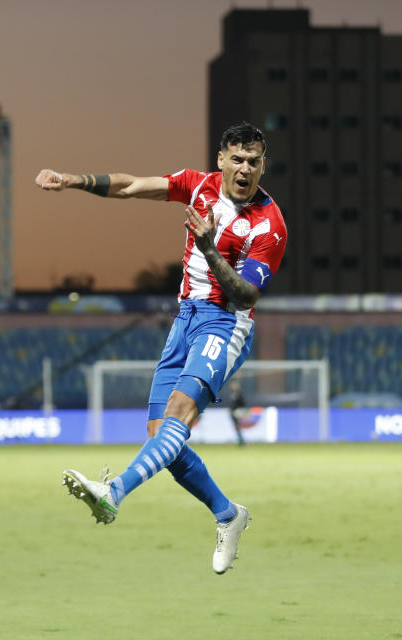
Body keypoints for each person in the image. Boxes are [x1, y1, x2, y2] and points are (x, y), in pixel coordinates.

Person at [35, 122, 287, 574]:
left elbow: (247, 296)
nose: (246, 168)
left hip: (224, 323)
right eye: (238, 159)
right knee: (160, 440)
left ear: (262, 164)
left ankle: (113, 493)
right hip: (184, 319)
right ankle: (229, 514)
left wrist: (210, 250)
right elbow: (131, 185)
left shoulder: (269, 223)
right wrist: (73, 180)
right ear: (222, 160)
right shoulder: (198, 186)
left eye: (254, 161)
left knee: (177, 419)